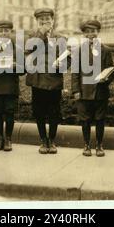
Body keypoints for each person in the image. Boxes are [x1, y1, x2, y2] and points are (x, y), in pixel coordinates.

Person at [26, 8, 69, 154]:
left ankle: (52, 140)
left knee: (54, 112)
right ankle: (43, 140)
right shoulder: (31, 36)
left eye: (47, 19)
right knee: (39, 112)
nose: (45, 22)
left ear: (53, 21)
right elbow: (27, 52)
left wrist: (61, 65)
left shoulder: (60, 37)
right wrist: (41, 34)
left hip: (54, 80)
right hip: (37, 80)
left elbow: (67, 58)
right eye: (41, 20)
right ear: (37, 22)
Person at [72, 20, 114, 157]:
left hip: (100, 91)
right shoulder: (78, 51)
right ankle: (86, 145)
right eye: (88, 31)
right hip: (84, 91)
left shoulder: (106, 50)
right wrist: (76, 90)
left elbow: (111, 70)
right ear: (84, 34)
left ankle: (99, 145)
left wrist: (106, 78)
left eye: (94, 31)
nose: (91, 34)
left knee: (100, 119)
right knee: (85, 119)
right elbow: (75, 72)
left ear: (98, 32)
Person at [0, 20, 24, 151]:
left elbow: (23, 70)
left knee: (9, 113)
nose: (3, 33)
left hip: (10, 86)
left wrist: (15, 66)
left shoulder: (17, 50)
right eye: (1, 31)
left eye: (6, 30)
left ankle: (8, 139)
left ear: (11, 32)